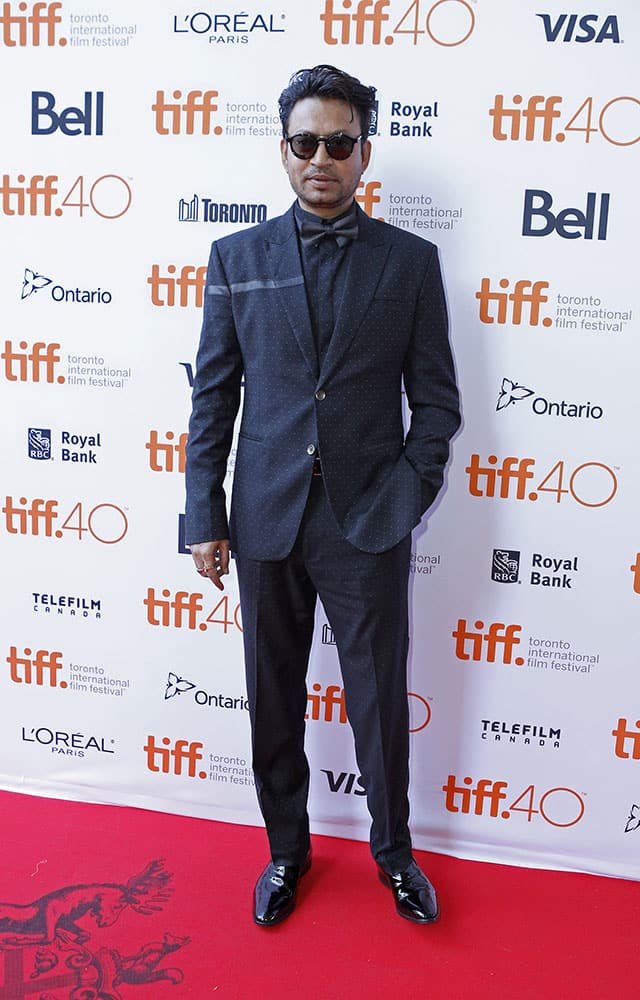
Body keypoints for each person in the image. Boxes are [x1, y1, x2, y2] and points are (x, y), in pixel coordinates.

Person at [185, 64, 460, 927]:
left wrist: (407, 492)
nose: (322, 158)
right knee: (272, 694)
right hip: (263, 514)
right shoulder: (236, 258)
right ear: (283, 151)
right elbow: (213, 397)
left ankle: (395, 855)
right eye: (306, 142)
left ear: (365, 152)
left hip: (368, 517)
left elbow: (438, 401)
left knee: (378, 696)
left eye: (340, 143)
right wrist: (204, 513)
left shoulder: (412, 263)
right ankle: (285, 854)